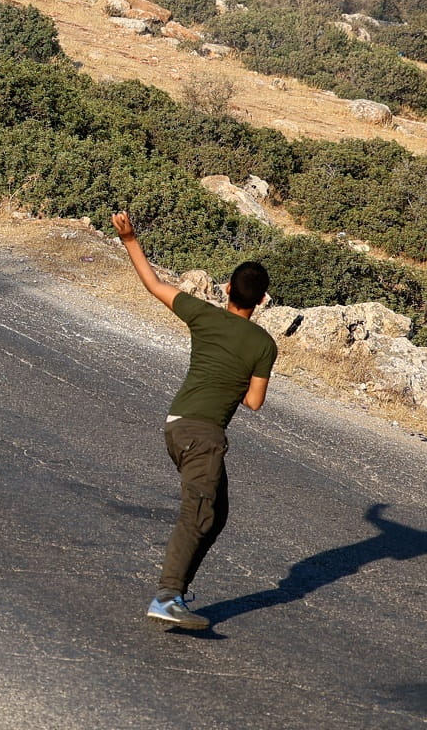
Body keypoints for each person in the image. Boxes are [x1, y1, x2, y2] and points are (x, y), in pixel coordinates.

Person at [111, 212, 277, 632]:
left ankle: (177, 591)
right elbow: (255, 401)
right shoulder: (263, 344)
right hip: (204, 435)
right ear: (262, 300)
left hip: (177, 424)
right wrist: (238, 373)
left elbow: (153, 284)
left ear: (226, 291)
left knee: (215, 513)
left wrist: (130, 238)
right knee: (199, 512)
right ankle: (168, 596)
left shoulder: (203, 315)